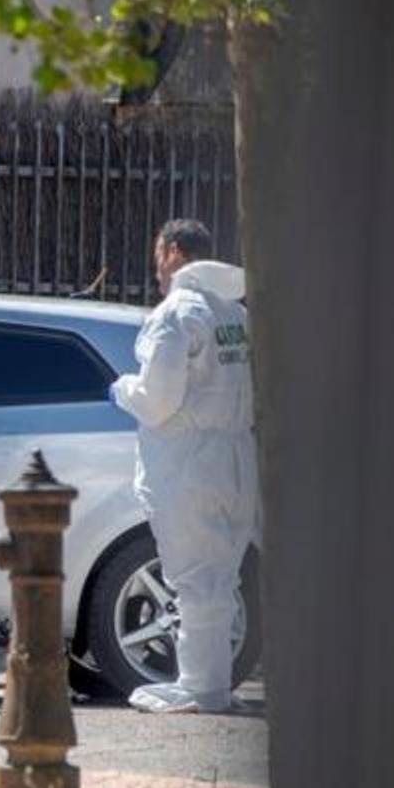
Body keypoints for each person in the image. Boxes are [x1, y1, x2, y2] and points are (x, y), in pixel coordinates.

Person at [109, 218, 258, 714]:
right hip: (235, 458)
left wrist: (120, 388)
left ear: (171, 250)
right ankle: (210, 685)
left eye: (157, 253)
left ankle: (200, 688)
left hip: (188, 463)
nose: (155, 266)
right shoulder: (233, 312)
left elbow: (157, 401)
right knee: (219, 579)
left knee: (193, 579)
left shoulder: (177, 313)